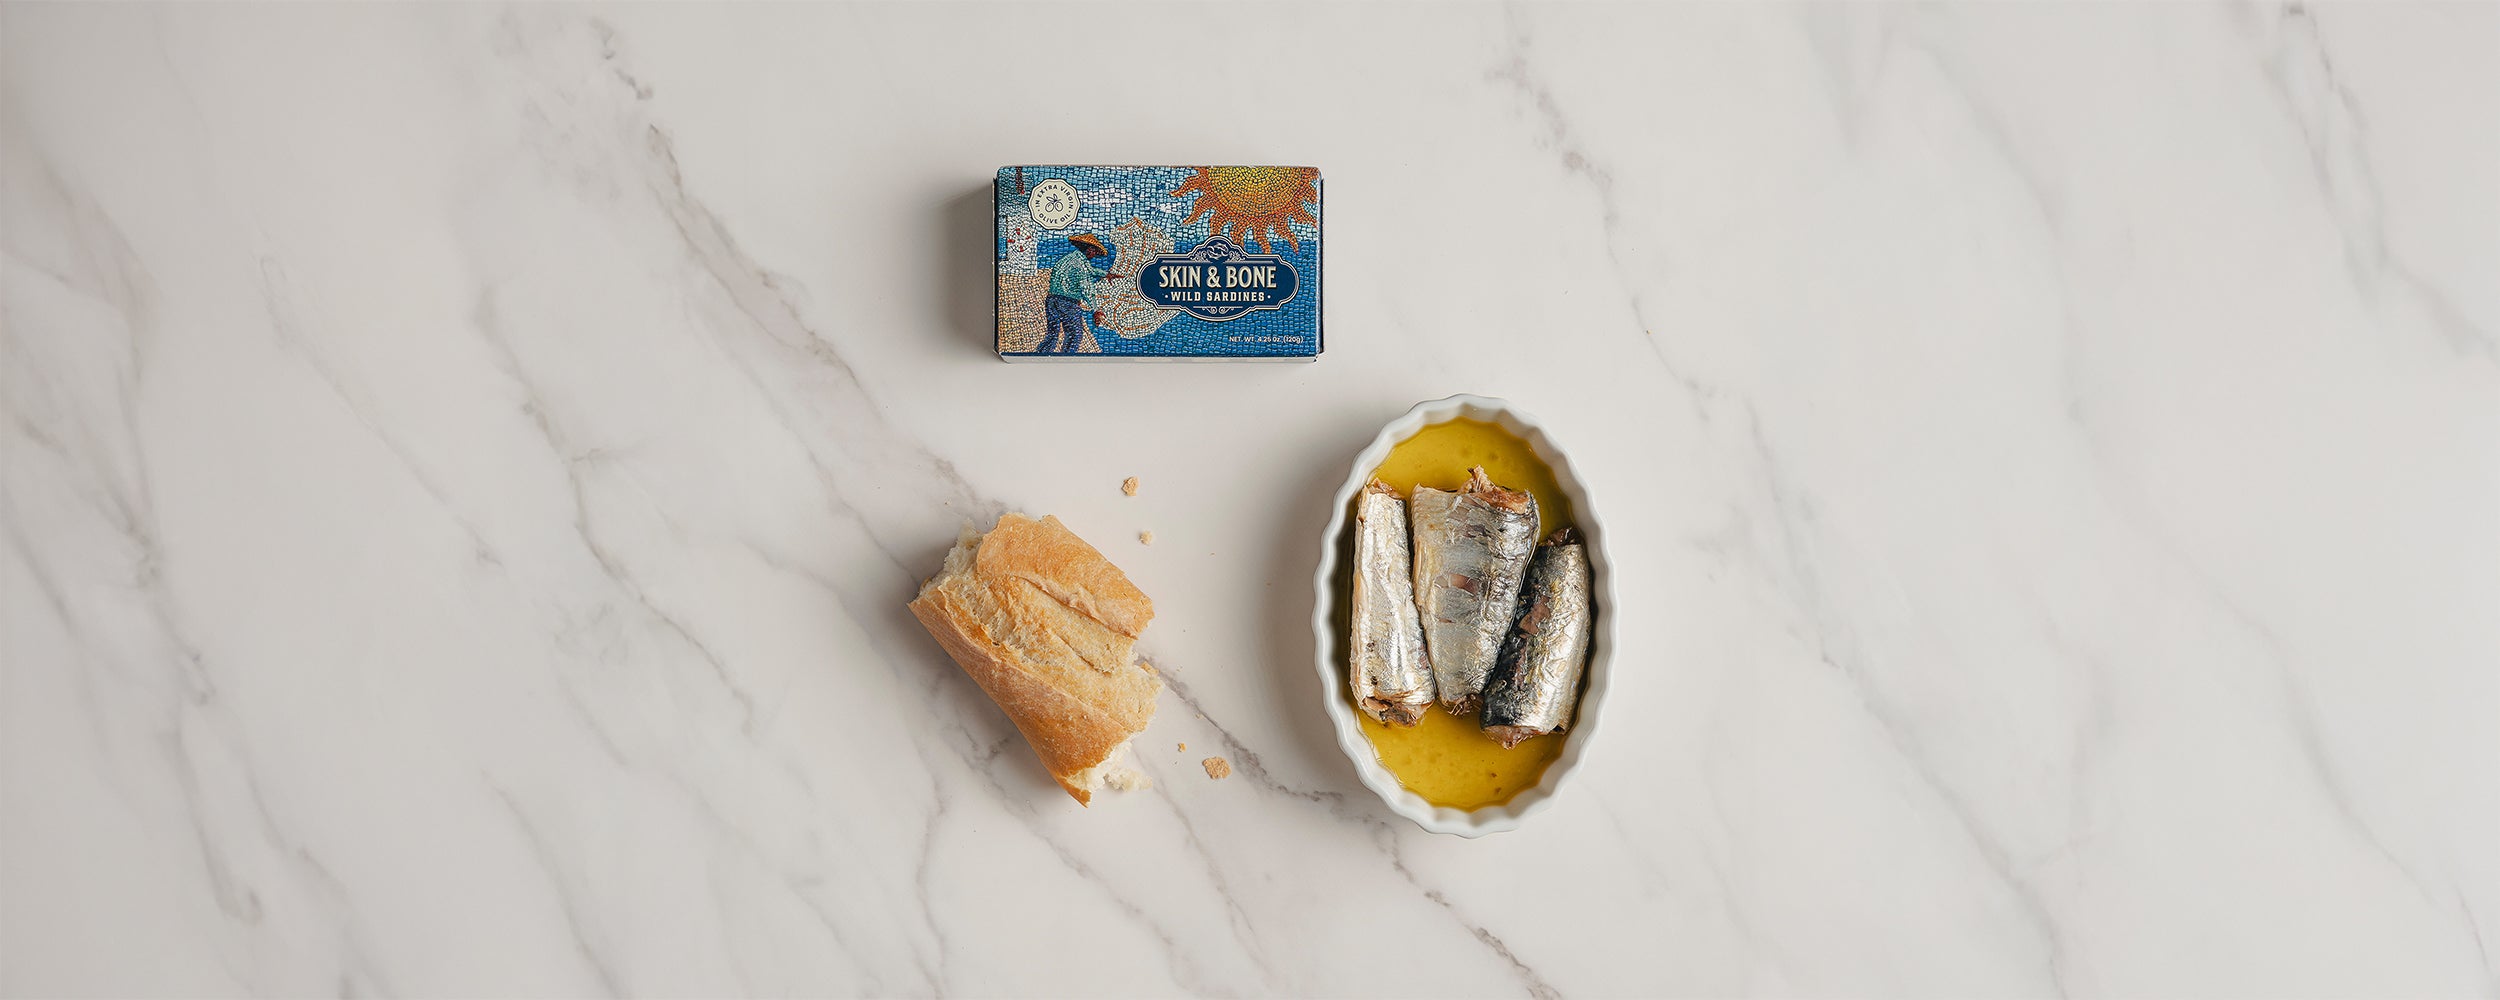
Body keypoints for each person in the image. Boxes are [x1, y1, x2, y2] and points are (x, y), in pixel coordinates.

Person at [1042, 233, 1124, 354]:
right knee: (1074, 335)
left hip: (1051, 300)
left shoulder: (1069, 258)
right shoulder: (1081, 265)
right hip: (1068, 303)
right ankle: (1066, 360)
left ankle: (1040, 355)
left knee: (1052, 334)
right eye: (1095, 251)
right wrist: (1095, 310)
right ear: (1090, 249)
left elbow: (1090, 270)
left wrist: (1106, 274)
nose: (1095, 255)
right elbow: (1087, 289)